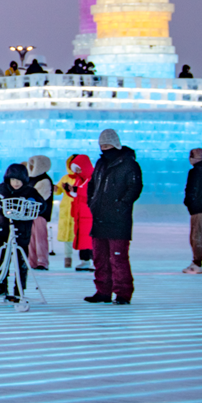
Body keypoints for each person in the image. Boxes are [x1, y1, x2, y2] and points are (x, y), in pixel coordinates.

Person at [85, 129, 143, 304]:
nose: (104, 148)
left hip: (118, 219)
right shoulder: (100, 163)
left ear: (116, 144)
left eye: (107, 144)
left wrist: (120, 205)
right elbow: (92, 185)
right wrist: (92, 202)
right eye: (102, 145)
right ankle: (103, 291)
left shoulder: (129, 164)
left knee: (118, 258)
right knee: (100, 257)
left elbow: (135, 188)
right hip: (99, 217)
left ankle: (123, 293)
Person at [0, 163, 41, 295]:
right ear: (8, 179)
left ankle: (19, 289)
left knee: (21, 260)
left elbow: (42, 205)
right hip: (4, 228)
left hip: (22, 230)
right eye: (13, 179)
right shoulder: (2, 189)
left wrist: (34, 203)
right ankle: (2, 287)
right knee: (2, 258)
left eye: (19, 180)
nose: (16, 183)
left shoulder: (30, 191)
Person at [25, 155, 54, 271]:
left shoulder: (44, 180)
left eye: (34, 165)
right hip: (30, 213)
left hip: (40, 214)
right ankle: (32, 261)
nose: (31, 167)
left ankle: (42, 261)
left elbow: (41, 197)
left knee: (40, 238)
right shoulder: (31, 179)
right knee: (31, 239)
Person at [54, 157, 78, 268]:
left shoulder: (83, 178)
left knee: (80, 234)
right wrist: (54, 188)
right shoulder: (65, 178)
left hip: (78, 209)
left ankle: (85, 259)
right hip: (66, 209)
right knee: (67, 235)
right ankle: (68, 258)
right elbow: (58, 190)